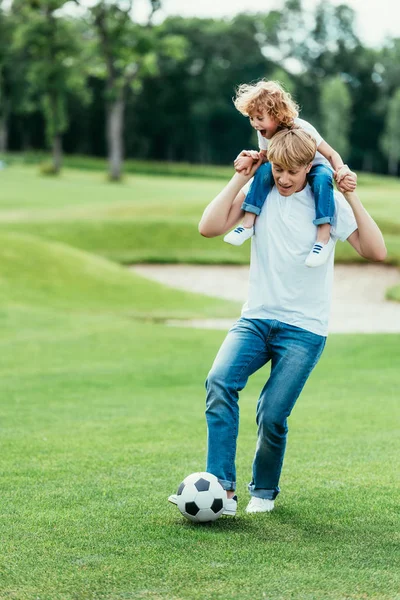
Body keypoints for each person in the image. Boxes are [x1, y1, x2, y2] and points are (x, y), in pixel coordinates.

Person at [168, 127, 386, 515]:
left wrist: (350, 192)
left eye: (293, 171)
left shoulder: (328, 201)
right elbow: (208, 227)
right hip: (255, 319)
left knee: (272, 414)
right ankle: (223, 489)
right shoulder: (263, 191)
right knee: (219, 381)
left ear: (309, 167)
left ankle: (264, 490)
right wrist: (242, 174)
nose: (284, 178)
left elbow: (376, 251)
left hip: (304, 330)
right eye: (278, 169)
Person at [223, 80, 357, 268]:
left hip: (315, 166)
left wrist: (341, 169)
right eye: (251, 118)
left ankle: (323, 238)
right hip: (286, 167)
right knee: (263, 171)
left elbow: (331, 154)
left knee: (322, 179)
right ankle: (248, 224)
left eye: (259, 118)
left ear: (277, 114)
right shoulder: (264, 133)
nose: (254, 123)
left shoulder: (303, 128)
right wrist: (251, 158)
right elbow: (265, 156)